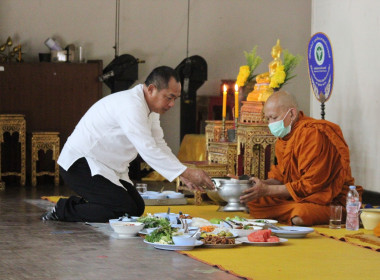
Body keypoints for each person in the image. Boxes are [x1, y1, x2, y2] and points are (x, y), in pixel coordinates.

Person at [41, 66, 214, 222]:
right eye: (169, 97)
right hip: (80, 164)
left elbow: (158, 144)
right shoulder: (131, 105)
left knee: (136, 207)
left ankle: (84, 204)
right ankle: (62, 210)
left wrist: (181, 173)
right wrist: (187, 171)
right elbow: (147, 149)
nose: (172, 104)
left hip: (106, 167)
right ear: (152, 89)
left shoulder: (150, 110)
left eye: (175, 99)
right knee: (123, 208)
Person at [240, 90, 363, 226]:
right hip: (297, 197)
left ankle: (339, 215)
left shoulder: (312, 134)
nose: (270, 124)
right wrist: (255, 186)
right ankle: (285, 212)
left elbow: (312, 185)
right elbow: (280, 177)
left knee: (300, 214)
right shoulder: (284, 138)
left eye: (274, 117)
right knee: (253, 201)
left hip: (327, 200)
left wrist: (267, 190)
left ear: (292, 114)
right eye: (268, 118)